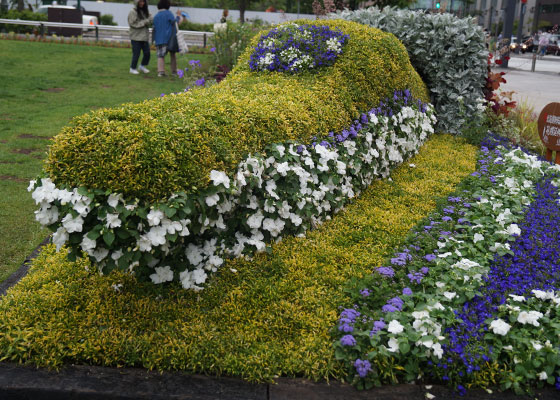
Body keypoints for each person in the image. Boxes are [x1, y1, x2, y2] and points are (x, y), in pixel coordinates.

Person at [152, 0, 184, 77]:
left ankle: (161, 72)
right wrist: (179, 15)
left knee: (160, 56)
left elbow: (154, 28)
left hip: (159, 39)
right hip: (169, 39)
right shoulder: (168, 13)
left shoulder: (156, 16)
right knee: (173, 55)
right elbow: (175, 22)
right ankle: (174, 71)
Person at [128, 0, 152, 75]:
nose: (142, 3)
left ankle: (142, 66)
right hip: (135, 37)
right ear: (137, 2)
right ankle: (132, 68)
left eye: (143, 2)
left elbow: (150, 18)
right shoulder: (133, 11)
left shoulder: (145, 11)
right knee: (136, 54)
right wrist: (145, 22)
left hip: (144, 36)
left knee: (147, 53)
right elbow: (132, 24)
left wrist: (149, 19)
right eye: (140, 2)